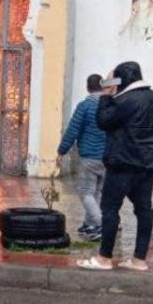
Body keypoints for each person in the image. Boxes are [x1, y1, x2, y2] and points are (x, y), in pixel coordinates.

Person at [78, 61, 153, 272]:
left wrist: (107, 94)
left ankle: (104, 258)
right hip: (150, 164)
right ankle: (139, 260)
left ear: (121, 80)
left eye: (114, 80)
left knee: (110, 208)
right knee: (144, 209)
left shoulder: (125, 100)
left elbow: (103, 121)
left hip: (123, 164)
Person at [58, 74, 110, 241]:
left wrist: (61, 151)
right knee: (96, 192)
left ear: (88, 88)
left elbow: (72, 130)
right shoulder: (111, 105)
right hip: (109, 157)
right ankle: (90, 225)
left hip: (90, 157)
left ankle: (102, 224)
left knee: (86, 192)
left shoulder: (85, 106)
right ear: (103, 86)